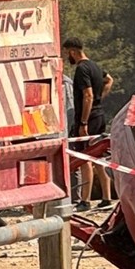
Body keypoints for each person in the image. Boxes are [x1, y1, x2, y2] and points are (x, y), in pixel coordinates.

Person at [62, 37, 115, 207]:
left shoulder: (81, 69)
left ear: (72, 51)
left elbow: (88, 95)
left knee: (85, 158)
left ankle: (85, 200)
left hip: (88, 119)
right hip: (99, 116)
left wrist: (83, 122)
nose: (67, 57)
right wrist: (100, 99)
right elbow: (109, 80)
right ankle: (106, 198)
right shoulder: (95, 66)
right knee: (98, 157)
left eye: (67, 53)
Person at [62, 71, 86, 210]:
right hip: (59, 128)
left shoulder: (65, 82)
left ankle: (75, 198)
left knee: (72, 163)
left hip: (66, 129)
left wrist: (69, 128)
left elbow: (70, 108)